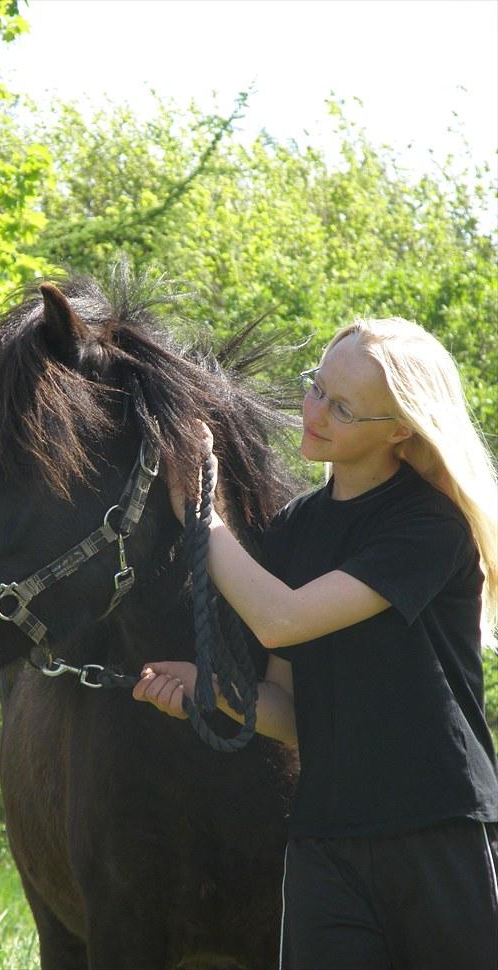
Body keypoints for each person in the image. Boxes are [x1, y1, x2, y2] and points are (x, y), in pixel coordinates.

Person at [132, 317, 498, 970]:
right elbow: (289, 709)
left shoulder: (428, 525)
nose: (315, 412)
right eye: (316, 388)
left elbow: (282, 619)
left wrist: (202, 508)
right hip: (325, 843)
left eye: (343, 407)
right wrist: (208, 688)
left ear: (400, 430)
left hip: (440, 831)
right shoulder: (296, 530)